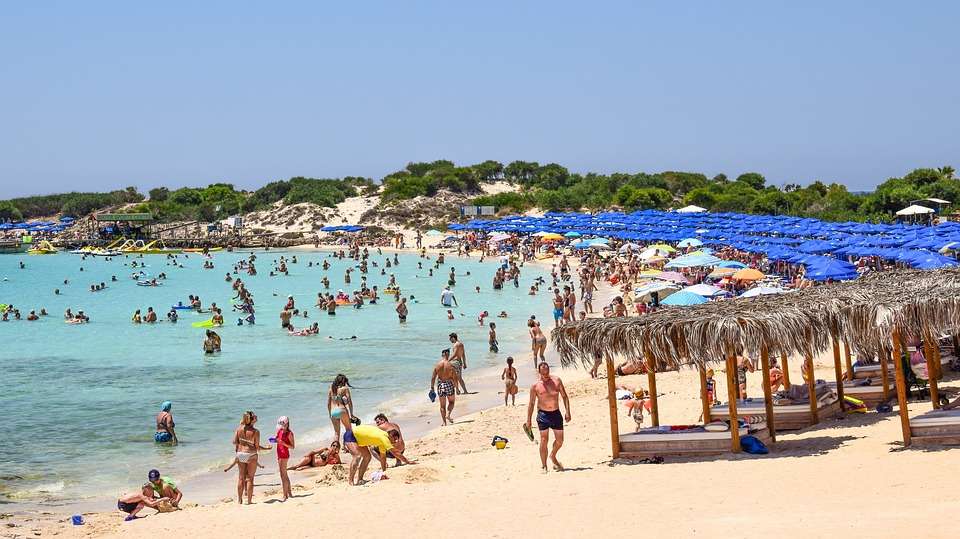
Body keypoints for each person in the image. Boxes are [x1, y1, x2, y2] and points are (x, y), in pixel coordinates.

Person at [524, 362, 571, 472]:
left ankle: (553, 455)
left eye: (547, 368)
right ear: (539, 371)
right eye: (543, 369)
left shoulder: (557, 381)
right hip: (543, 415)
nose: (546, 370)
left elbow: (564, 397)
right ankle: (544, 466)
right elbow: (531, 404)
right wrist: (528, 420)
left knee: (560, 441)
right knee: (544, 440)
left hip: (555, 413)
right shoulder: (535, 386)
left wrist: (568, 411)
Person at [231, 411, 271, 505]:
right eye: (255, 416)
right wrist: (266, 448)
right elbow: (257, 447)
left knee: (241, 478)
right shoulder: (255, 432)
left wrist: (243, 443)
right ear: (252, 420)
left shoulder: (239, 429)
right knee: (250, 478)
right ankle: (249, 501)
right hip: (251, 454)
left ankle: (240, 500)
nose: (256, 416)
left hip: (240, 453)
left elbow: (234, 442)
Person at [430, 349, 457, 425]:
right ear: (448, 355)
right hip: (449, 384)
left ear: (442, 355)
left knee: (442, 405)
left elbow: (433, 377)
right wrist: (457, 387)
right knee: (451, 402)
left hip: (440, 385)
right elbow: (455, 377)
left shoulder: (437, 365)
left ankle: (444, 422)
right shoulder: (450, 365)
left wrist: (432, 388)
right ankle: (448, 415)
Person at [327, 374, 354, 443]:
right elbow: (350, 402)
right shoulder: (345, 389)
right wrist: (351, 414)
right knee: (348, 429)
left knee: (336, 433)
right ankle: (346, 446)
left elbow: (328, 403)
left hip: (333, 411)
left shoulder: (331, 388)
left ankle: (334, 450)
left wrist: (330, 414)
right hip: (342, 410)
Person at [275, 416, 295, 501]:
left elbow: (292, 446)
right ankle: (289, 492)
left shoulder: (289, 433)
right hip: (279, 453)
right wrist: (275, 440)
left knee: (283, 475)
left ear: (286, 424)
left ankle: (285, 495)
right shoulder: (280, 430)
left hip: (284, 454)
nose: (282, 427)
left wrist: (284, 443)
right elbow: (277, 438)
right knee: (284, 474)